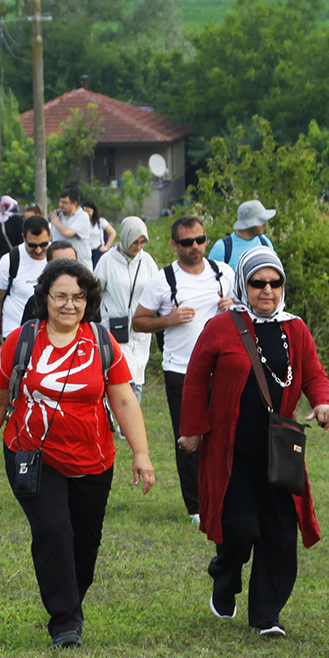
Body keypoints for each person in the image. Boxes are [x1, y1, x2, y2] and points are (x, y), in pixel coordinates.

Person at [0, 260, 155, 648]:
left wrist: (141, 453)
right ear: (45, 298)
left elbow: (123, 400)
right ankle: (65, 622)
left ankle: (70, 597)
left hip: (94, 458)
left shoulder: (101, 342)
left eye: (78, 296)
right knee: (54, 530)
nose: (69, 304)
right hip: (32, 454)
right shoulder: (22, 340)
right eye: (61, 296)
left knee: (85, 542)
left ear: (88, 301)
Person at [178, 248, 329, 640]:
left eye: (275, 282)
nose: (267, 290)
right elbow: (197, 377)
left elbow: (313, 373)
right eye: (258, 283)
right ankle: (225, 573)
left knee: (279, 532)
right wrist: (192, 429)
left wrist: (323, 401)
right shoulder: (222, 326)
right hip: (231, 448)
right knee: (240, 528)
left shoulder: (295, 328)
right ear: (243, 285)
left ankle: (267, 614)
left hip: (278, 448)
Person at [133, 214, 236, 524]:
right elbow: (138, 321)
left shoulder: (224, 273)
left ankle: (224, 496)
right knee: (189, 438)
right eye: (188, 242)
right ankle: (197, 507)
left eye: (201, 240)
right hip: (182, 370)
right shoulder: (164, 280)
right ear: (175, 245)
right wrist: (169, 320)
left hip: (223, 370)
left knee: (226, 436)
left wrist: (234, 307)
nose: (196, 247)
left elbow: (248, 309)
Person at [96, 216, 156, 397]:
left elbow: (157, 289)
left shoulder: (147, 261)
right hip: (115, 328)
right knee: (118, 378)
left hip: (140, 330)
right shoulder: (108, 261)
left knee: (137, 378)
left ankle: (129, 424)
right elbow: (94, 291)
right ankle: (112, 422)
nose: (138, 247)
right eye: (134, 242)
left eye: (142, 242)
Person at [0, 216, 52, 353]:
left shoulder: (57, 256)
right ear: (23, 238)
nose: (39, 250)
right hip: (15, 331)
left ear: (50, 236)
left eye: (43, 245)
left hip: (49, 332)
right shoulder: (10, 260)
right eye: (32, 245)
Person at [214, 200, 276, 267]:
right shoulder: (222, 248)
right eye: (261, 221)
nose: (266, 223)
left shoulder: (265, 242)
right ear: (249, 224)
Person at [50, 186, 93, 262]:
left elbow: (67, 232)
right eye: (60, 202)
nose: (61, 205)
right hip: (58, 263)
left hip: (79, 264)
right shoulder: (57, 215)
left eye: (65, 203)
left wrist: (56, 221)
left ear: (75, 204)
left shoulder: (82, 216)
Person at [82, 200, 116, 265]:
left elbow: (113, 233)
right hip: (84, 251)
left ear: (93, 211)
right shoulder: (80, 222)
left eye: (88, 211)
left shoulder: (100, 221)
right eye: (84, 211)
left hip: (97, 251)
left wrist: (106, 247)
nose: (86, 214)